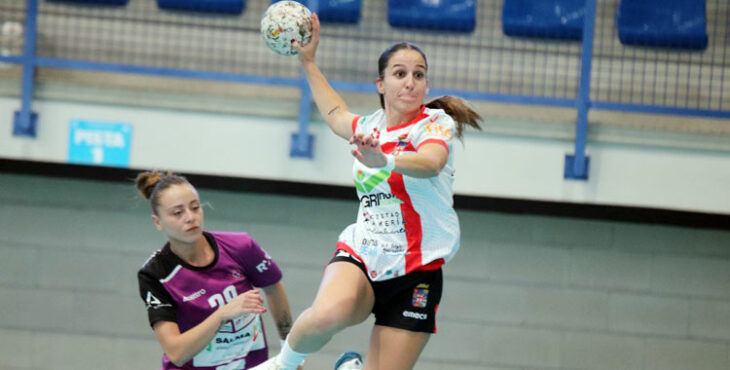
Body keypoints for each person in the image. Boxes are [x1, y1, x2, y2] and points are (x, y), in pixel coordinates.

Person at [253, 13, 482, 370]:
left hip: (418, 269)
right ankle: (283, 365)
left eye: (419, 75)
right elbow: (333, 112)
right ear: (381, 84)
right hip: (364, 253)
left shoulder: (435, 123)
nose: (410, 82)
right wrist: (309, 61)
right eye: (400, 73)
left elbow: (431, 163)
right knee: (326, 315)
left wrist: (385, 161)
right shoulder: (368, 126)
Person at [136, 171, 298, 369]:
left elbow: (273, 287)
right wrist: (223, 314)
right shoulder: (155, 274)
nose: (190, 217)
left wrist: (289, 351)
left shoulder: (240, 246)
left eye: (195, 208)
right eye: (178, 213)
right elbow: (176, 352)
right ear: (158, 222)